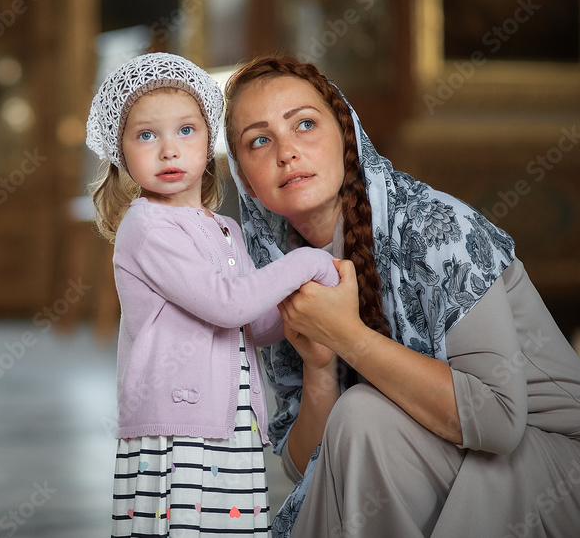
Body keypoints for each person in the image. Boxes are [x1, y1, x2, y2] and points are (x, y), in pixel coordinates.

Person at [223, 54, 580, 537]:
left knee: (364, 414)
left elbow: (499, 422)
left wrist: (348, 336)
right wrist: (320, 369)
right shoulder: (281, 274)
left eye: (304, 124)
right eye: (259, 140)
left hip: (550, 467)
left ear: (346, 139)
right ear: (246, 180)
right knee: (360, 419)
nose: (286, 151)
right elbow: (308, 466)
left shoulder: (439, 229)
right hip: (438, 457)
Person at [85, 52, 341, 537]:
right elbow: (229, 304)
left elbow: (258, 326)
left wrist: (309, 312)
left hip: (231, 421)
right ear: (121, 151)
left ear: (209, 142)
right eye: (146, 136)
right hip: (177, 427)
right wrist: (308, 262)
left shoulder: (225, 229)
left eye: (186, 130)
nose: (169, 150)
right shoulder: (146, 226)